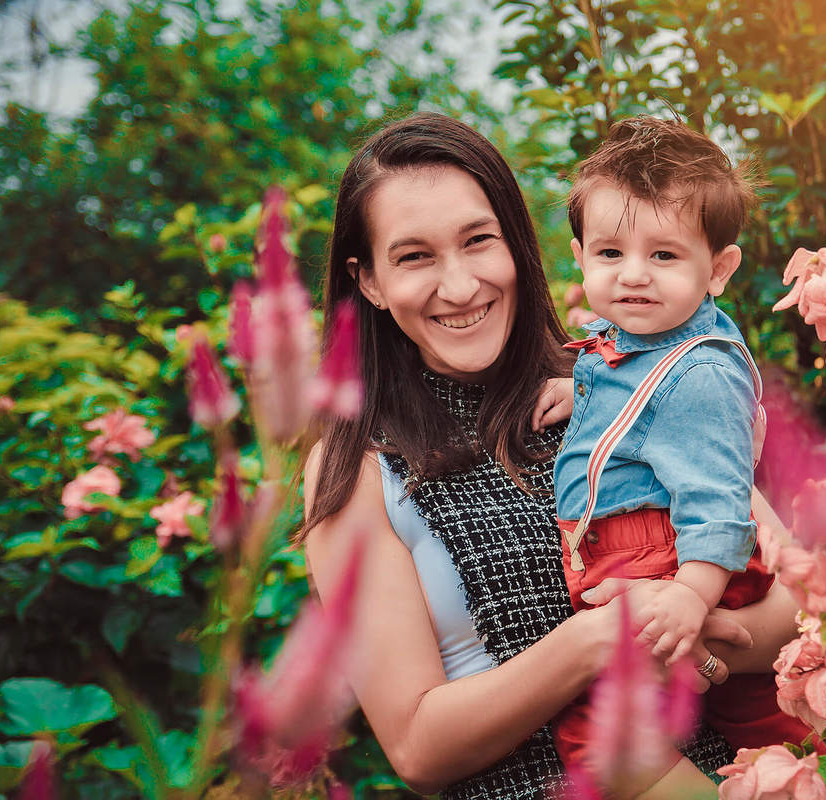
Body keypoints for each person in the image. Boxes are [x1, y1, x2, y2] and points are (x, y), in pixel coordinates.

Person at [299, 112, 799, 800]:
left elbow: (801, 608)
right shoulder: (358, 467)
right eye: (415, 257)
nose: (460, 285)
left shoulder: (621, 377)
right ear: (371, 282)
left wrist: (695, 631)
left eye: (479, 241)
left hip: (729, 775)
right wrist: (594, 645)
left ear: (520, 247)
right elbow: (416, 747)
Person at [550, 117, 814, 778]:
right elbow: (633, 396)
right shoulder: (629, 341)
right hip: (649, 557)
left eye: (664, 255)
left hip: (671, 561)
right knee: (766, 721)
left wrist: (691, 596)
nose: (634, 275)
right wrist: (574, 390)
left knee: (600, 734)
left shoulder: (700, 376)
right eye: (610, 254)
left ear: (717, 269)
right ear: (580, 258)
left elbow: (720, 498)